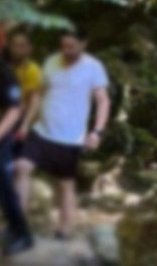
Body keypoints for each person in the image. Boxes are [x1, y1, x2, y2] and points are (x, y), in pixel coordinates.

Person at [14, 27, 111, 239]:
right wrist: (25, 124)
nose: (66, 50)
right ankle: (18, 227)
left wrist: (97, 132)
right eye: (64, 45)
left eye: (71, 46)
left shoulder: (93, 68)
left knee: (64, 185)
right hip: (41, 131)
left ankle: (65, 230)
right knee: (22, 167)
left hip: (69, 138)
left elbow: (103, 100)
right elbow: (39, 95)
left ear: (83, 45)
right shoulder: (52, 62)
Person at [0, 22, 34, 255]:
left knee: (5, 183)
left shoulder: (4, 73)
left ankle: (22, 233)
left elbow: (14, 111)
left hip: (2, 137)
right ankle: (12, 227)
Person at [6, 28, 43, 156]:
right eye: (14, 45)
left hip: (22, 123)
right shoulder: (6, 68)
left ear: (29, 48)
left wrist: (25, 126)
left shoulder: (32, 70)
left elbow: (35, 100)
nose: (17, 49)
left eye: (21, 46)